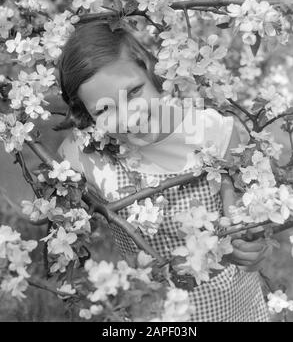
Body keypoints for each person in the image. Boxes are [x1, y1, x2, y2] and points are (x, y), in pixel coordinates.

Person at [58, 18, 270, 322]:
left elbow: (243, 224)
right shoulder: (85, 160)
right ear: (86, 115)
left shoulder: (213, 133)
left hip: (234, 307)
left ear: (147, 66)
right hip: (155, 314)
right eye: (103, 109)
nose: (129, 118)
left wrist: (250, 245)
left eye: (132, 92)